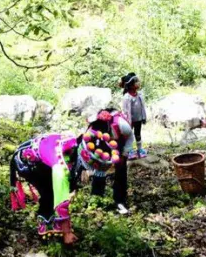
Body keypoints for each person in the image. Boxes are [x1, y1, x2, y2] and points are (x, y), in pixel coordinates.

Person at [9, 117, 123, 245]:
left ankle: (56, 224)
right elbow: (61, 197)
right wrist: (67, 232)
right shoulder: (60, 166)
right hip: (27, 162)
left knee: (61, 185)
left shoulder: (76, 144)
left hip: (45, 156)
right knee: (50, 193)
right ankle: (49, 228)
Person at [87, 109, 134, 214]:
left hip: (119, 143)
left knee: (120, 171)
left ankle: (120, 200)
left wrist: (124, 154)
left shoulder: (121, 125)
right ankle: (96, 199)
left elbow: (131, 137)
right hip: (103, 144)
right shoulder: (93, 125)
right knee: (99, 167)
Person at [121, 73, 148, 159]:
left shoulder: (139, 95)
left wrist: (144, 117)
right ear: (130, 85)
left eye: (137, 81)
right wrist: (127, 121)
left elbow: (142, 107)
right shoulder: (127, 97)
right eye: (136, 81)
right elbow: (125, 111)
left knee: (138, 134)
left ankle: (140, 149)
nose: (138, 83)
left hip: (138, 119)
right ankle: (130, 151)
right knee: (129, 135)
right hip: (130, 121)